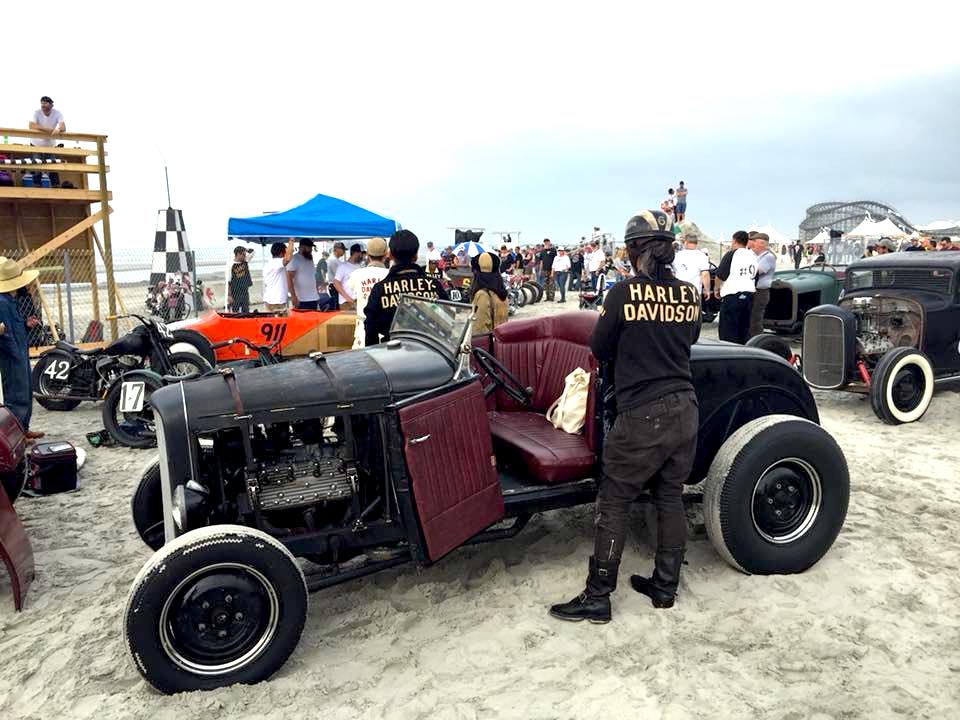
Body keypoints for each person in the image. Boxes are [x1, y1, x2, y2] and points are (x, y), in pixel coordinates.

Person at [549, 210, 700, 624]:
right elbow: (689, 340)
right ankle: (664, 587)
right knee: (670, 497)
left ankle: (598, 594)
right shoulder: (690, 295)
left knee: (615, 500)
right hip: (685, 407)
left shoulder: (622, 294)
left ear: (634, 251)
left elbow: (599, 347)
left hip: (642, 412)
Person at [364, 230, 448, 346]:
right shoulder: (434, 286)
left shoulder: (380, 289)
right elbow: (448, 322)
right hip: (430, 355)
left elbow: (370, 330)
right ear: (416, 255)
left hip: (391, 356)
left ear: (391, 255)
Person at [0, 258, 44, 440]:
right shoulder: (2, 302)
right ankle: (17, 436)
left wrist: (26, 324)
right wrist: (16, 354)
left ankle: (23, 429)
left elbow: (11, 328)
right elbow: (5, 334)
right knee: (16, 395)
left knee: (25, 391)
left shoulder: (9, 300)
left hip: (18, 351)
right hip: (12, 355)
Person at [346, 238, 389, 348]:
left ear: (368, 255)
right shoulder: (390, 275)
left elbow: (351, 294)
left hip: (362, 328)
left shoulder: (356, 274)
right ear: (386, 254)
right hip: (385, 330)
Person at [715, 231, 756, 344]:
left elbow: (720, 275)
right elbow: (755, 275)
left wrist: (717, 289)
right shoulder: (752, 255)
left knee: (728, 330)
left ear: (734, 241)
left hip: (732, 294)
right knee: (744, 328)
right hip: (749, 294)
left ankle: (729, 354)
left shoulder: (732, 254)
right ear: (747, 241)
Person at [471, 252, 509, 334]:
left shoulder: (482, 295)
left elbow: (479, 329)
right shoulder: (501, 293)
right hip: (501, 341)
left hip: (489, 343)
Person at [748, 232, 777, 339]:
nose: (752, 244)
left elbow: (756, 271)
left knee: (755, 320)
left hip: (760, 292)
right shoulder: (756, 256)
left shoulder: (768, 257)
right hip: (754, 291)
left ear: (761, 244)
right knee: (751, 318)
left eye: (754, 242)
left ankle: (756, 342)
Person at [286, 239, 320, 310]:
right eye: (309, 247)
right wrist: (293, 296)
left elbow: (312, 277)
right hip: (301, 299)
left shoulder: (310, 259)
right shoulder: (295, 259)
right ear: (302, 247)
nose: (311, 250)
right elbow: (289, 277)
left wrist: (316, 291)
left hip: (313, 298)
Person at [262, 240, 294, 311]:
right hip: (276, 302)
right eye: (285, 252)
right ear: (281, 253)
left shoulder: (271, 263)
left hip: (272, 300)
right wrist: (291, 241)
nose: (286, 254)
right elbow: (288, 258)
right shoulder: (276, 262)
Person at [332, 243, 364, 309]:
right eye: (361, 253)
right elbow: (336, 283)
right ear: (355, 253)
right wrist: (349, 299)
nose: (362, 256)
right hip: (346, 303)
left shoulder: (359, 266)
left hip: (357, 301)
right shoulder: (343, 266)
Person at [227, 246, 254, 313]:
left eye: (245, 254)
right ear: (238, 254)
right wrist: (229, 295)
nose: (245, 256)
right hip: (235, 292)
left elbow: (253, 251)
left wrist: (246, 249)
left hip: (244, 290)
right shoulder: (231, 265)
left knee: (246, 310)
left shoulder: (245, 261)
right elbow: (228, 281)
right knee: (235, 311)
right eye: (243, 254)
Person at [326, 242, 346, 307]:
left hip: (337, 286)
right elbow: (338, 276)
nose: (344, 251)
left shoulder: (336, 260)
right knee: (336, 306)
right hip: (334, 287)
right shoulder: (332, 260)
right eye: (343, 249)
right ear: (337, 249)